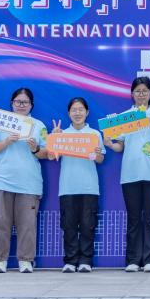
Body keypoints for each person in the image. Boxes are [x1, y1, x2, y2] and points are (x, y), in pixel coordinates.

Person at [104, 76, 150, 272]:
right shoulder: (126, 117)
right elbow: (120, 146)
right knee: (133, 218)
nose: (141, 94)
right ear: (132, 94)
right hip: (130, 174)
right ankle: (133, 260)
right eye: (138, 91)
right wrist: (109, 143)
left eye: (145, 91)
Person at [0, 86, 48, 273]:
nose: (21, 105)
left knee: (27, 225)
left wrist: (35, 148)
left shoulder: (39, 125)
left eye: (25, 102)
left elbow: (46, 153)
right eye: (18, 102)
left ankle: (26, 260)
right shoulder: (0, 122)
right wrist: (6, 142)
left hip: (29, 183)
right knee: (1, 223)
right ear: (12, 103)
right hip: (2, 181)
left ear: (31, 105)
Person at [48, 96, 104, 273]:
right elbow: (51, 156)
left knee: (88, 225)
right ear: (69, 113)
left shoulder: (94, 134)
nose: (77, 113)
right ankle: (71, 261)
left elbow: (100, 159)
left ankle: (86, 260)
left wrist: (97, 154)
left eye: (81, 109)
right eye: (74, 110)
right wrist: (54, 138)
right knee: (69, 226)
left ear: (87, 112)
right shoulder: (62, 134)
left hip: (89, 187)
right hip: (68, 187)